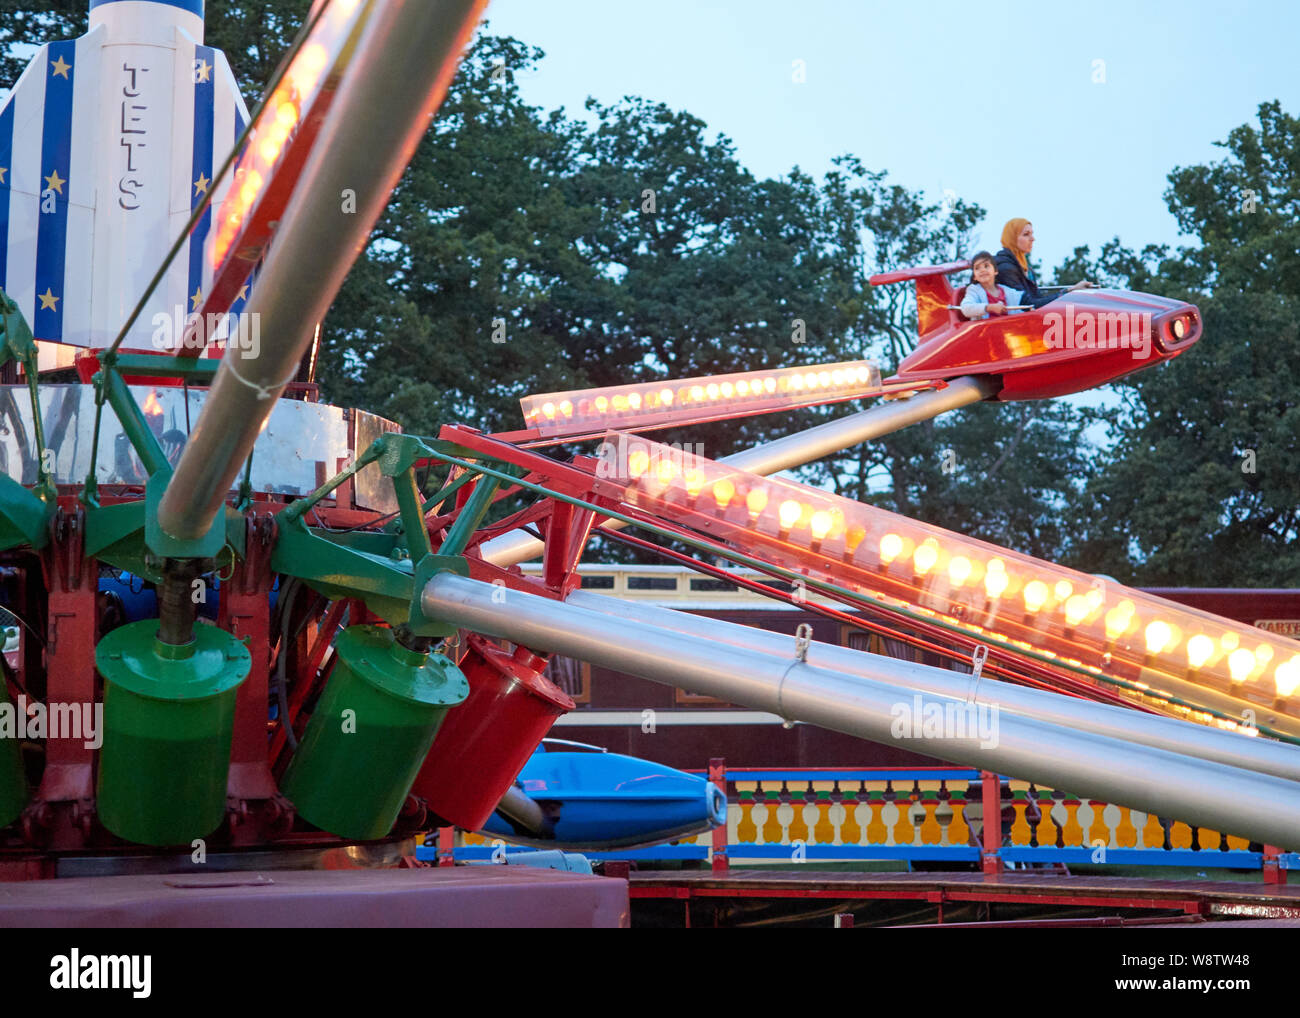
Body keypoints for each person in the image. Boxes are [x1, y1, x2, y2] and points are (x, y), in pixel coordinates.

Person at [994, 218, 1092, 308]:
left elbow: (1038, 299)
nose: (1032, 239)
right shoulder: (1005, 267)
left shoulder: (1026, 267)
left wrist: (1072, 290)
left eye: (1032, 234)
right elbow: (1028, 305)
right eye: (1026, 234)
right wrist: (1068, 293)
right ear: (1012, 238)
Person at [960, 251, 1021, 319]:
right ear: (974, 277)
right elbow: (966, 308)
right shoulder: (974, 290)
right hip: (985, 328)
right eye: (977, 268)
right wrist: (989, 308)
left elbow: (1018, 310)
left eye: (986, 266)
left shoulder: (1008, 291)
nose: (982, 270)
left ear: (995, 271)